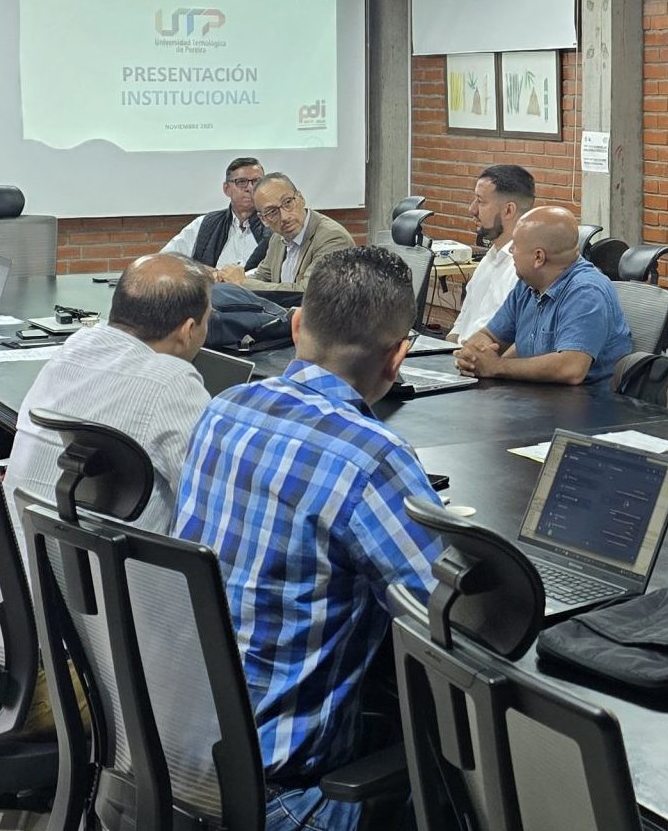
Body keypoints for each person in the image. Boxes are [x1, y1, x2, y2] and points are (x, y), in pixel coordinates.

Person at [174, 246, 441, 831]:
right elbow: (448, 618)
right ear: (398, 357)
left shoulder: (223, 409)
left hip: (178, 753)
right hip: (282, 797)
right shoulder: (373, 456)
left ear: (296, 326)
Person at [2, 254, 213, 534]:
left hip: (19, 551)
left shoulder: (74, 347)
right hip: (103, 560)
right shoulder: (172, 381)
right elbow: (211, 503)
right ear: (188, 330)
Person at [454, 206, 631, 389]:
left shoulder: (586, 292)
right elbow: (490, 335)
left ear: (538, 257)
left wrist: (496, 367)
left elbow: (571, 368)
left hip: (588, 402)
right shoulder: (528, 284)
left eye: (516, 245)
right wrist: (474, 354)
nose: (511, 250)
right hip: (535, 396)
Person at [214, 173, 353, 296]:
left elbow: (308, 293)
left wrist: (242, 282)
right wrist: (227, 279)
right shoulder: (277, 237)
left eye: (288, 203)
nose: (285, 217)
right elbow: (262, 277)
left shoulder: (332, 238)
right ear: (263, 219)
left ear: (301, 198)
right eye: (272, 212)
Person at [447, 164, 532, 344]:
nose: (472, 209)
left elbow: (511, 343)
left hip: (484, 359)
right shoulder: (489, 259)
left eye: (481, 201)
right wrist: (441, 351)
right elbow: (461, 324)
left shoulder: (524, 271)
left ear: (508, 210)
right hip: (458, 355)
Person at [160, 156, 270, 269]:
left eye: (257, 182)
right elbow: (165, 259)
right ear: (226, 189)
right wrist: (202, 272)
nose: (250, 188)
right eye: (241, 182)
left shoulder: (274, 225)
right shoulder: (204, 224)